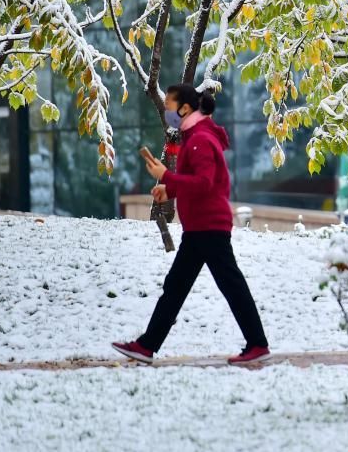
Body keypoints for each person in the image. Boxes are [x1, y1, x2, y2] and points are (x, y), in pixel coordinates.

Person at [112, 84, 270, 365]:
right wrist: (169, 190)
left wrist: (167, 177)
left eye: (169, 106)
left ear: (184, 108)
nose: (167, 111)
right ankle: (146, 346)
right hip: (200, 228)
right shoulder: (196, 136)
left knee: (228, 284)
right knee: (178, 285)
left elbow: (205, 183)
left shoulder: (199, 140)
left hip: (208, 227)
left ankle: (257, 344)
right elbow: (198, 182)